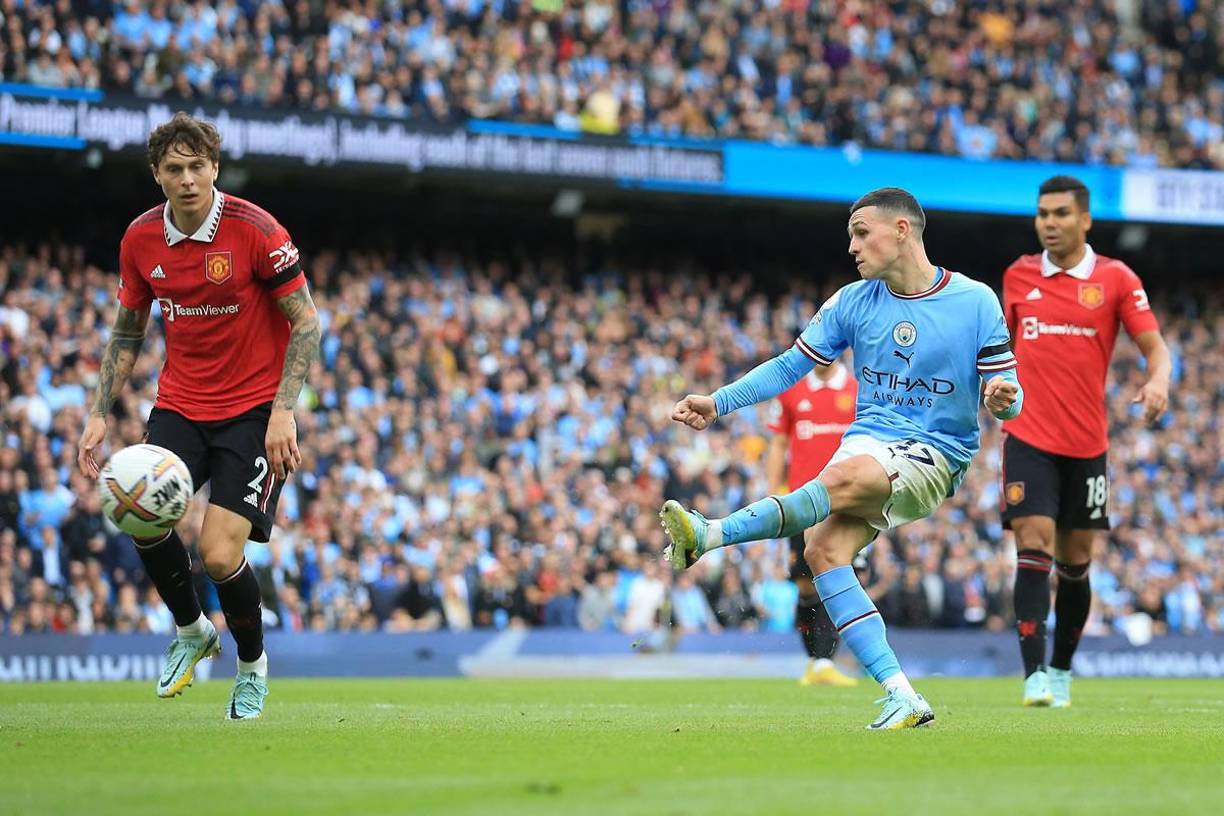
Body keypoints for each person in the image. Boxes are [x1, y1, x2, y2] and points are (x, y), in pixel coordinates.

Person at [660, 188, 1022, 729]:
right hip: (868, 438)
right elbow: (788, 367)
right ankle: (902, 695)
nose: (851, 246)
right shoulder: (852, 301)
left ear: (902, 231)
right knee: (822, 549)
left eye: (861, 232)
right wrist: (718, 403)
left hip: (936, 452)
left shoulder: (975, 301)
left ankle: (708, 535)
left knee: (844, 476)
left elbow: (1007, 389)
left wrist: (1004, 397)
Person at [77, 112, 321, 720]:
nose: (187, 179)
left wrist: (284, 412)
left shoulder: (256, 229)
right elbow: (128, 330)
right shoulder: (140, 239)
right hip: (181, 405)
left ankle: (252, 668)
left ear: (214, 168)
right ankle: (191, 630)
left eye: (197, 166)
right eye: (173, 169)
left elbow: (307, 321)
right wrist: (99, 412)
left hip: (254, 412)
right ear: (157, 175)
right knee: (135, 512)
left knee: (217, 553)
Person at [1000, 175, 1169, 708]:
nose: (1050, 223)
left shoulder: (1116, 279)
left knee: (1076, 564)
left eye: (1061, 214)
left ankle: (1062, 669)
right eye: (1043, 214)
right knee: (1032, 543)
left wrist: (1158, 379)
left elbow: (1154, 346)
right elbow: (997, 349)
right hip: (1027, 436)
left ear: (1085, 219)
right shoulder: (1018, 276)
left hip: (1087, 443)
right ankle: (1033, 678)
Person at [765, 359, 859, 686]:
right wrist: (772, 492)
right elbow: (778, 443)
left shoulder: (858, 390)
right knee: (805, 585)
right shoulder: (791, 390)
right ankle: (815, 661)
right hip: (802, 504)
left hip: (846, 502)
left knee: (837, 578)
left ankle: (824, 662)